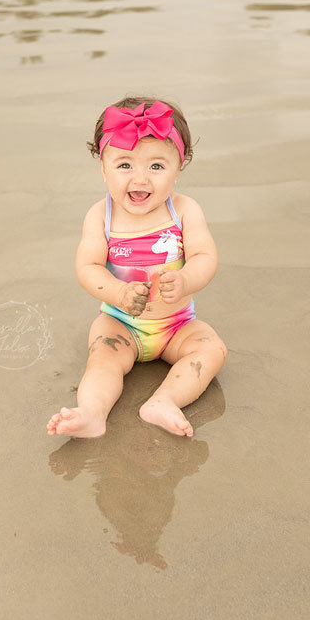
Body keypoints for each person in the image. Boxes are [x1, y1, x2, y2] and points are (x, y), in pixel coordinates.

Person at [47, 96, 228, 438]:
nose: (140, 179)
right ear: (104, 167)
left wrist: (187, 278)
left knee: (212, 349)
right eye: (125, 165)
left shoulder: (185, 210)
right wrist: (117, 291)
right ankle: (91, 413)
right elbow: (87, 267)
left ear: (179, 167)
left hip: (176, 324)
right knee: (103, 358)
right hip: (120, 323)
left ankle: (164, 401)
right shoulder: (101, 216)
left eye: (156, 166)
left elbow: (206, 257)